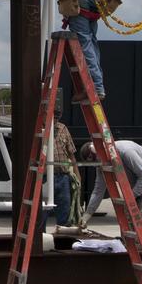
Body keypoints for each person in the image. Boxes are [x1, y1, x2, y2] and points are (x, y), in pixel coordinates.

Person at [81, 140, 142, 232]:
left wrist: (131, 196)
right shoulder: (102, 164)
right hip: (138, 180)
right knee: (129, 216)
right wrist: (87, 215)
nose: (97, 166)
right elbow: (98, 191)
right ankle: (133, 244)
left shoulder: (125, 151)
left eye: (97, 161)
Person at [50, 100, 82, 233]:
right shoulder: (39, 130)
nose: (56, 119)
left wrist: (78, 176)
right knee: (42, 213)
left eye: (58, 116)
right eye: (54, 116)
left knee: (65, 212)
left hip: (63, 177)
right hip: (46, 178)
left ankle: (62, 241)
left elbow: (71, 155)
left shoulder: (63, 129)